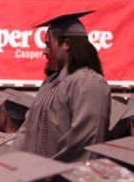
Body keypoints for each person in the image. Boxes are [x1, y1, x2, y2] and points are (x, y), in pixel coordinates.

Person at [15, 11, 110, 162]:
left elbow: (86, 141)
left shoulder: (88, 82)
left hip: (62, 180)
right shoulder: (50, 82)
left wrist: (48, 174)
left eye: (48, 44)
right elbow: (27, 130)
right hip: (35, 177)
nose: (45, 51)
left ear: (66, 44)